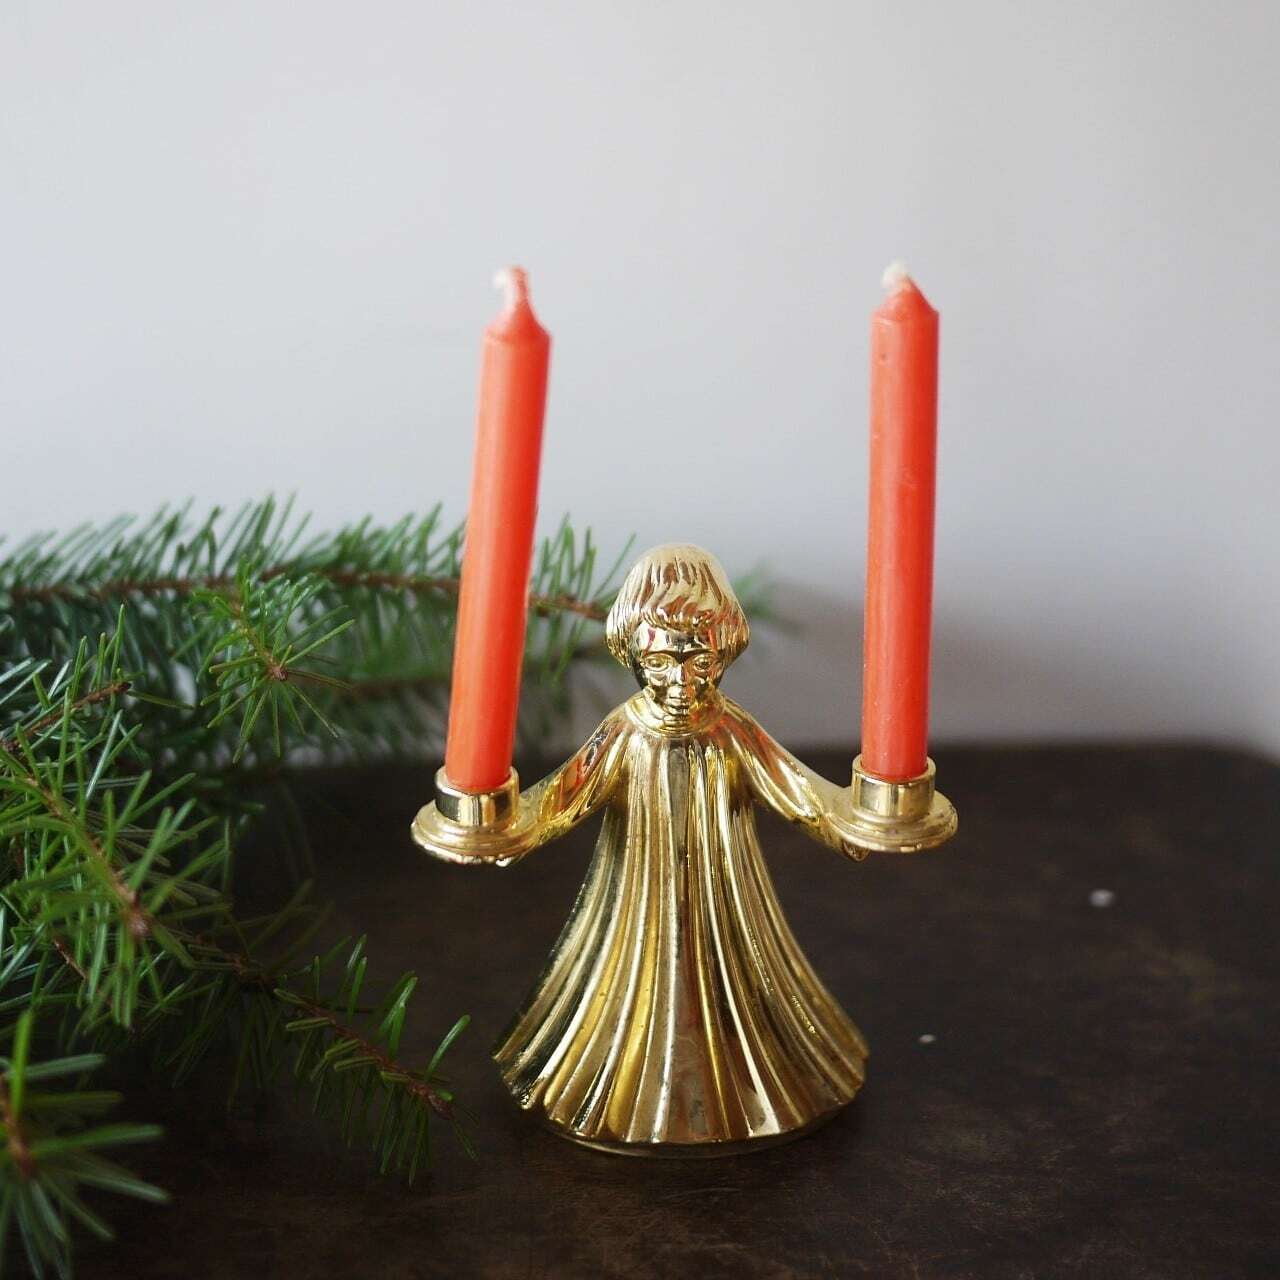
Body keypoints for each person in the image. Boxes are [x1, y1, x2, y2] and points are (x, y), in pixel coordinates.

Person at [435, 544, 881, 1153]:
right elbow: (564, 798)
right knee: (626, 982)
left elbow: (795, 789)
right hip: (635, 899)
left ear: (724, 651)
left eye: (700, 660)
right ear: (633, 654)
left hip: (725, 898)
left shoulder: (731, 731)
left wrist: (853, 822)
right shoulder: (625, 732)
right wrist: (506, 826)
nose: (680, 681)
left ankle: (751, 1076)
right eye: (660, 661)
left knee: (735, 979)